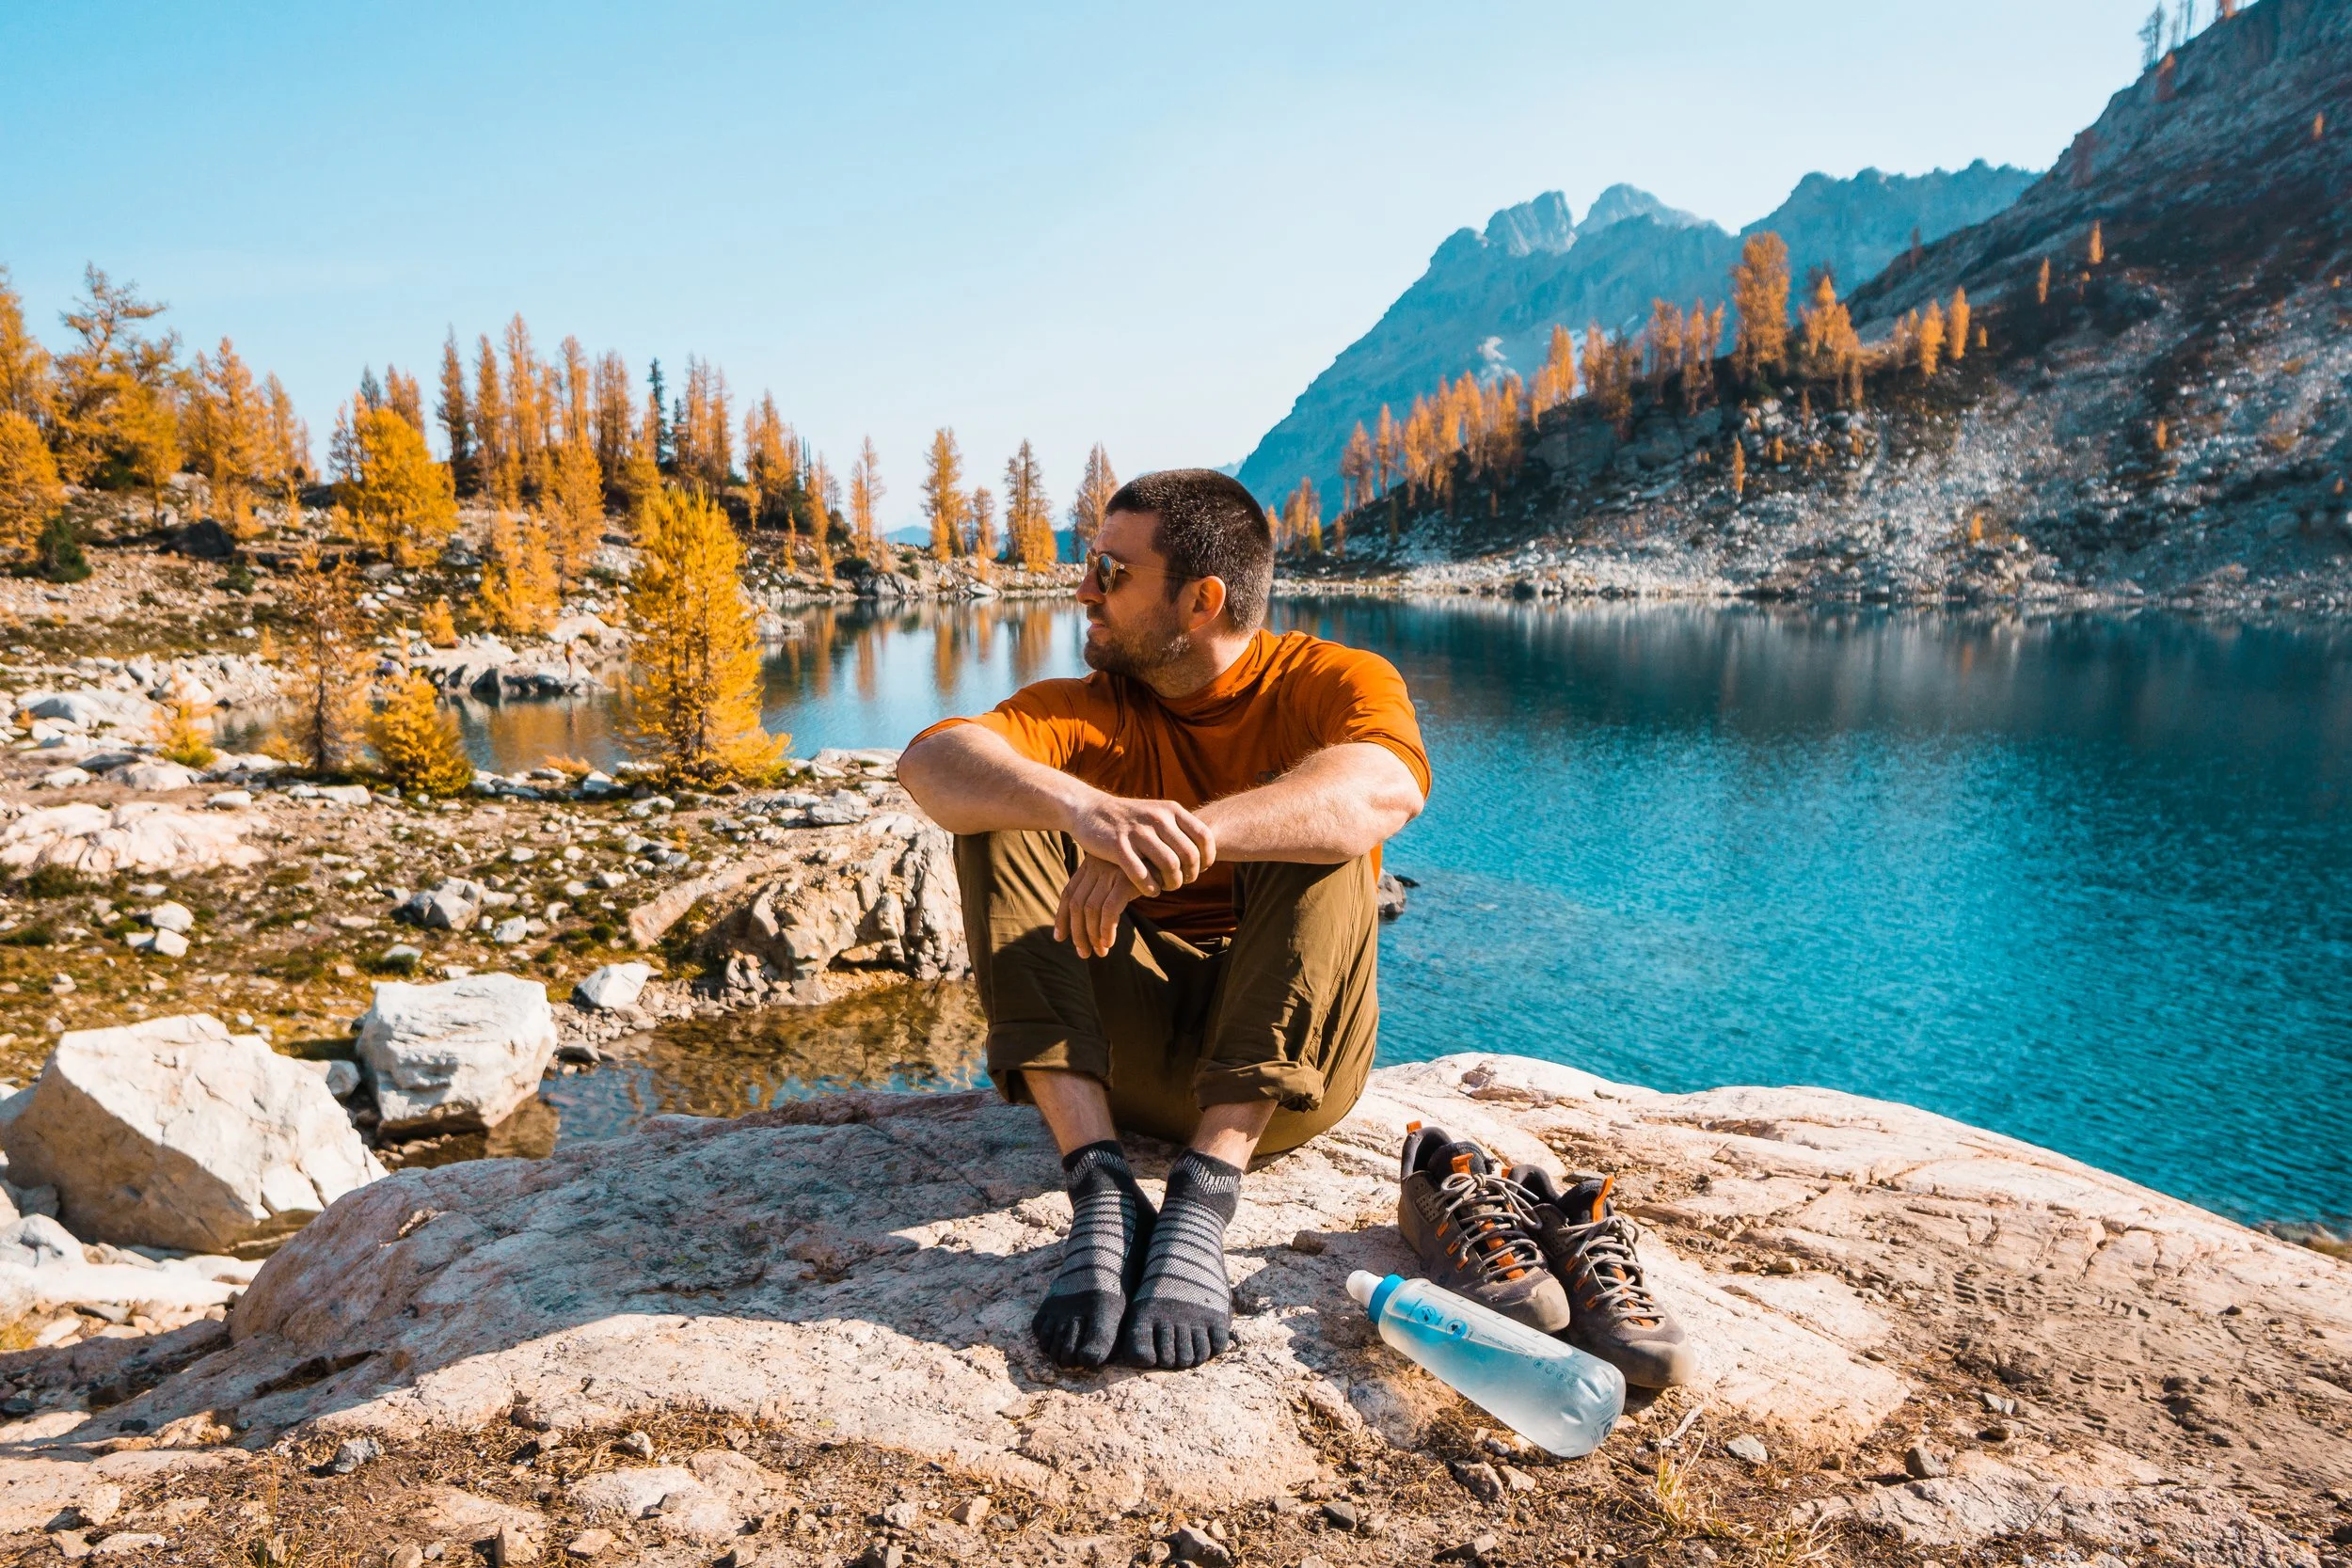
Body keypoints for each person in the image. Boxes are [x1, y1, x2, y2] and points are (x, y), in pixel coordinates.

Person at [898, 468, 1429, 1371]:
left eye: (1110, 571)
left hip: (1287, 1079)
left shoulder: (1333, 679)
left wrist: (1186, 837)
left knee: (1318, 829)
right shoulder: (1092, 709)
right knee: (1000, 813)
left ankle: (1201, 1197)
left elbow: (1381, 788)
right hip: (1122, 1067)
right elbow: (932, 762)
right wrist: (1086, 813)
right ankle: (1100, 1184)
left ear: (1202, 599)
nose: (1082, 590)